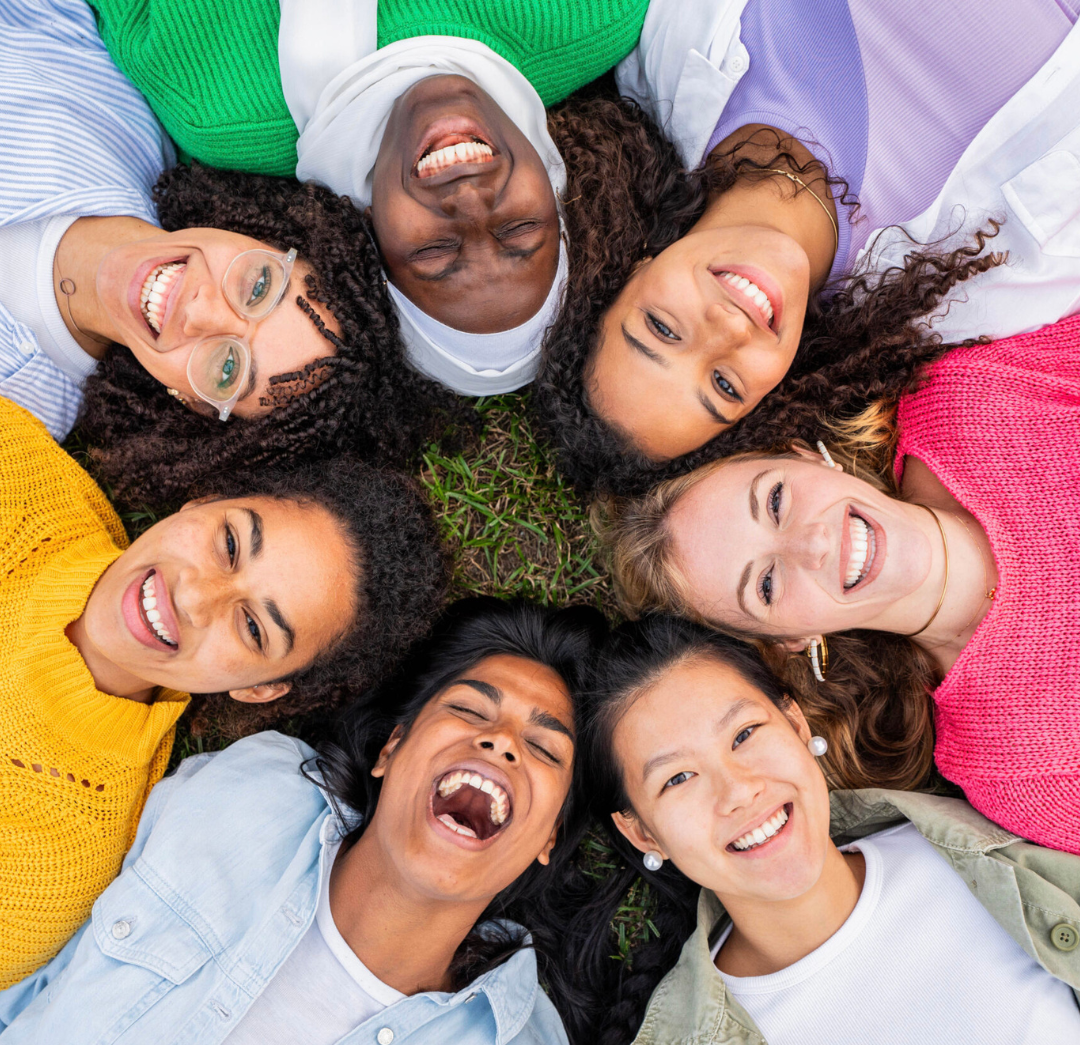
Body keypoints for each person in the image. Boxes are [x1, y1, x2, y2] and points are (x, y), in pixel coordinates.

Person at [0, 597, 607, 1045]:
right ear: (391, 749)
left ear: (549, 837)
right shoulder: (249, 792)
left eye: (543, 747)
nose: (502, 742)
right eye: (470, 711)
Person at [534, 0, 1080, 495]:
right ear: (767, 400)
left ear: (630, 268)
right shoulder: (975, 287)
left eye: (663, 328)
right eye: (725, 385)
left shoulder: (669, 50)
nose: (728, 329)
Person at [0, 392, 447, 989]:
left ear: (260, 690)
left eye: (253, 627)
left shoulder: (49, 865)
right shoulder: (18, 473)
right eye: (230, 544)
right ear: (204, 500)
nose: (193, 597)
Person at [596, 314, 1080, 853]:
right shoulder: (1013, 763)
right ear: (790, 640)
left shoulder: (972, 398)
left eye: (776, 500)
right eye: (766, 585)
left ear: (805, 455)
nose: (813, 544)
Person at [566, 616, 1080, 1045]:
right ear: (643, 833)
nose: (738, 791)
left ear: (796, 725)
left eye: (744, 734)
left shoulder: (1004, 834)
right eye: (678, 778)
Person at [1, 0, 462, 509]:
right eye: (259, 286)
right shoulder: (117, 110)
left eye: (227, 370)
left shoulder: (19, 420)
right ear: (260, 234)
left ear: (193, 405)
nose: (201, 311)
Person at [88, 0, 651, 394]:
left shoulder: (217, 109)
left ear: (367, 230)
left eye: (434, 251)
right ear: (555, 188)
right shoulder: (594, 16)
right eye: (520, 229)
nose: (469, 202)